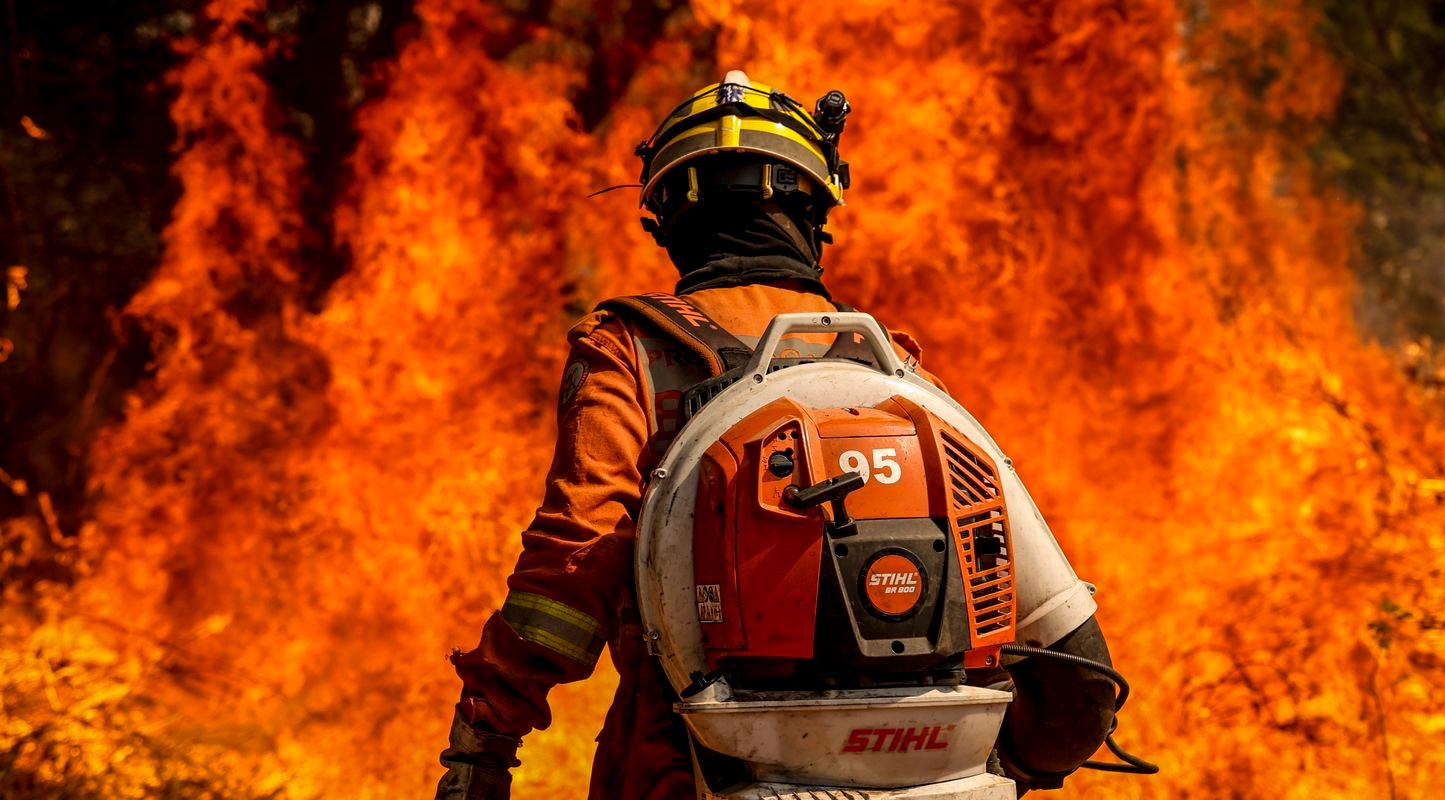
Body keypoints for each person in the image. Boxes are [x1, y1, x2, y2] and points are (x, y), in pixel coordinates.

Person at [436, 71, 1117, 800]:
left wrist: (486, 737)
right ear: (814, 210)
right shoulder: (900, 377)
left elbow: (574, 566)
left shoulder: (628, 351)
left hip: (679, 765)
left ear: (668, 217)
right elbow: (1069, 667)